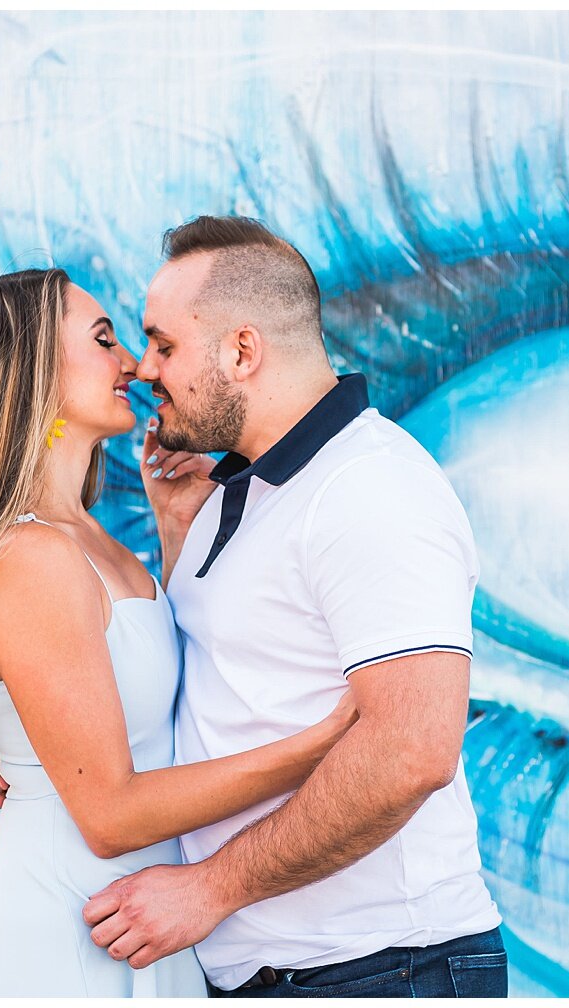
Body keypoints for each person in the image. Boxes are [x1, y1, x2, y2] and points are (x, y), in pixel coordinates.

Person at [70, 216, 508, 997]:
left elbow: (413, 751)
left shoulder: (368, 486)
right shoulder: (239, 490)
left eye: (164, 345)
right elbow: (227, 691)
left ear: (242, 352)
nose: (142, 369)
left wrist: (209, 889)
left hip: (381, 972)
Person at [0, 268, 356, 997]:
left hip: (138, 920)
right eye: (104, 341)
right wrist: (322, 746)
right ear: (32, 374)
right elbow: (109, 813)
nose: (135, 366)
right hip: (71, 931)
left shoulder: (90, 540)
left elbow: (143, 689)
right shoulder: (33, 557)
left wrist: (175, 529)